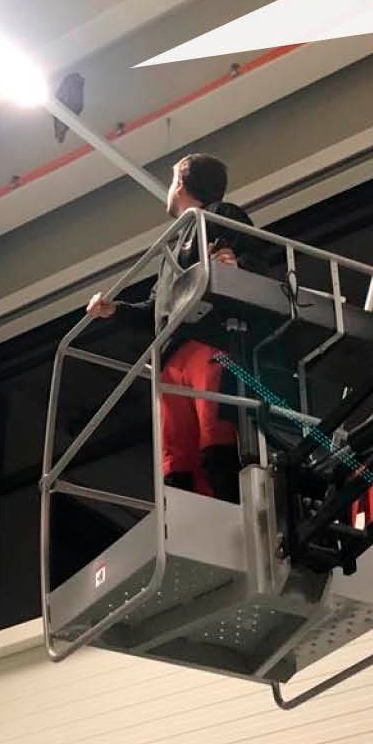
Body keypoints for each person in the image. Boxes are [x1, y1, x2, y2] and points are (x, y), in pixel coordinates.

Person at [87, 153, 260, 503]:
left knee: (216, 438)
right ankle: (189, 521)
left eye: (171, 181)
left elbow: (252, 259)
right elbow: (155, 308)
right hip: (171, 355)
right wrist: (115, 310)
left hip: (206, 339)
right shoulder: (172, 248)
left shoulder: (219, 216)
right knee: (177, 457)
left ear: (180, 183)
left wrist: (235, 262)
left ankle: (229, 511)